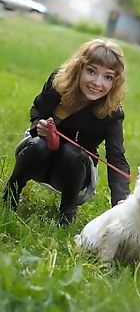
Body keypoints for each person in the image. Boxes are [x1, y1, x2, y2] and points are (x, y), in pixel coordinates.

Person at [3, 38, 130, 225]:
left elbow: (116, 158)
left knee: (71, 152)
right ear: (79, 68)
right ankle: (11, 193)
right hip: (39, 153)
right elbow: (37, 109)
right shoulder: (59, 82)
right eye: (91, 71)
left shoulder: (112, 112)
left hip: (75, 170)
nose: (97, 82)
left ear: (115, 81)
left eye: (108, 77)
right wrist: (38, 125)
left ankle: (67, 212)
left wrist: (121, 201)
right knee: (38, 146)